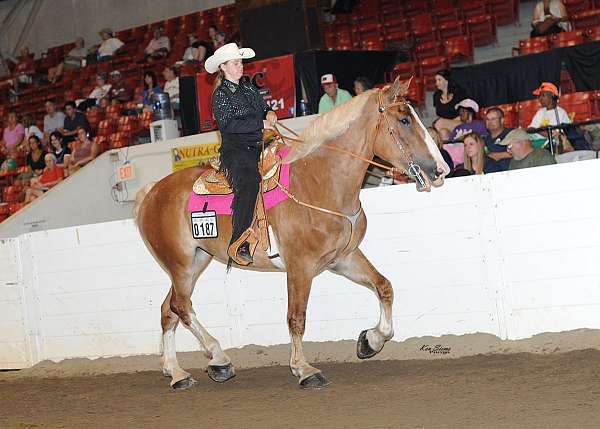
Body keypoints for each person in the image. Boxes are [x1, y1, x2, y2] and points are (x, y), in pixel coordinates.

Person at [206, 42, 277, 264]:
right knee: (249, 181)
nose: (240, 66)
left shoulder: (248, 88)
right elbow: (229, 126)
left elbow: (263, 108)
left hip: (258, 145)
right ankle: (239, 240)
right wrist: (261, 123)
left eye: (240, 62)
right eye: (235, 63)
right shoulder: (220, 95)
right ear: (224, 67)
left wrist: (271, 112)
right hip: (236, 150)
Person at [528, 82, 573, 153]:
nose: (540, 99)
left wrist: (540, 131)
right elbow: (530, 128)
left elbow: (560, 135)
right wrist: (543, 132)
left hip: (551, 144)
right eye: (539, 96)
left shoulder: (560, 113)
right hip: (537, 142)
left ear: (551, 95)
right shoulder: (540, 112)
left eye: (543, 95)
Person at [432, 69, 467, 136]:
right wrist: (446, 123)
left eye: (439, 80)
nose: (436, 83)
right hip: (445, 125)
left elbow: (465, 114)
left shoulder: (459, 93)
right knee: (443, 133)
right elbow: (439, 115)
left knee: (439, 123)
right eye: (436, 81)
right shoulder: (436, 96)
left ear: (447, 80)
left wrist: (448, 122)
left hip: (460, 122)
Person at [484, 107, 513, 171]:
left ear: (502, 120)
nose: (490, 122)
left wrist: (499, 155)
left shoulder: (511, 133)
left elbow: (520, 151)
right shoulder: (485, 140)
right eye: (487, 119)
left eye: (493, 119)